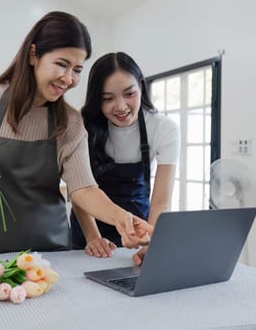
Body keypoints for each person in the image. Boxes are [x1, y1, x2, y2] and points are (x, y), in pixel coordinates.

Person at [0, 12, 152, 256]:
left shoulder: (71, 123)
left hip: (49, 255)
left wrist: (122, 217)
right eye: (61, 64)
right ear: (33, 55)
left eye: (77, 69)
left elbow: (83, 189)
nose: (68, 78)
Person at [70, 52, 179, 264]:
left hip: (138, 228)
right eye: (108, 98)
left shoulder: (163, 128)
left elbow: (160, 201)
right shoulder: (81, 125)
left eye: (129, 93)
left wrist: (152, 243)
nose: (120, 106)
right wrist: (94, 238)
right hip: (89, 229)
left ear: (141, 86)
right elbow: (80, 189)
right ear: (96, 99)